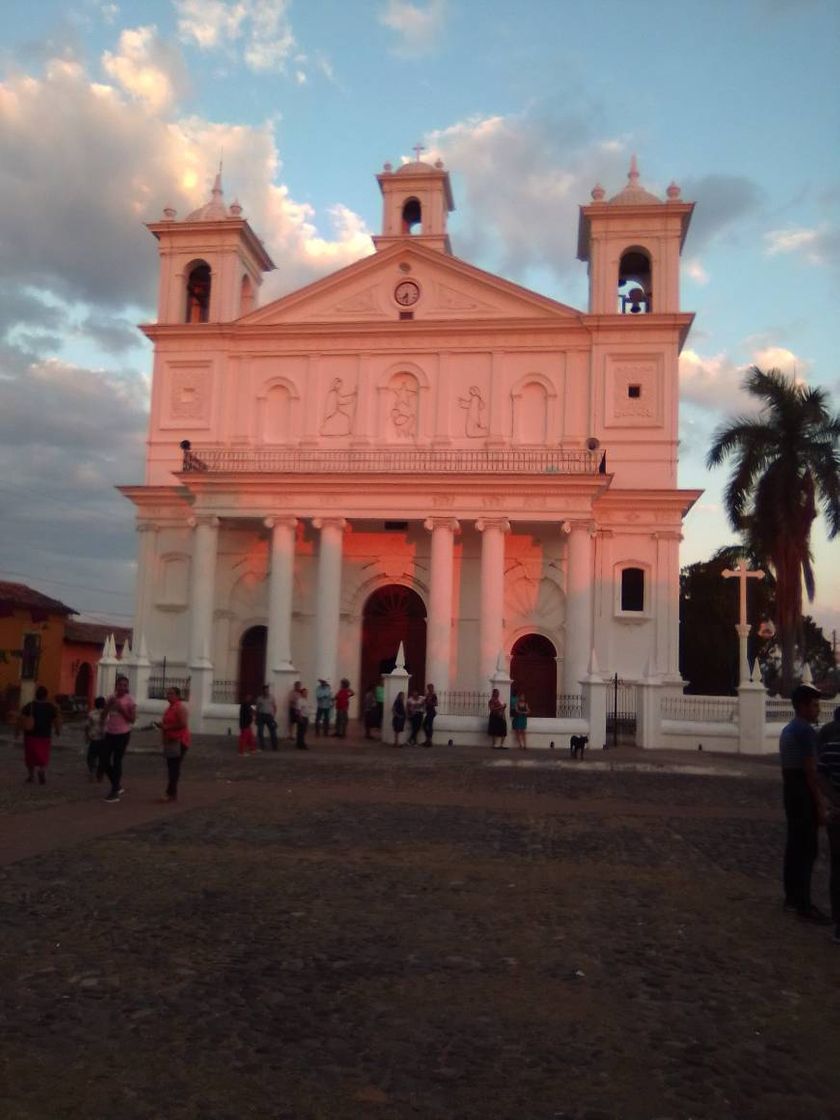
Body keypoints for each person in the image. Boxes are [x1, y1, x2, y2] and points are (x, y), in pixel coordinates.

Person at [779, 683, 830, 924]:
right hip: (802, 790)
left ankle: (792, 897)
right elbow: (810, 771)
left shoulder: (788, 729)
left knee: (794, 845)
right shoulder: (806, 732)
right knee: (808, 848)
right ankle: (804, 902)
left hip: (790, 789)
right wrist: (820, 804)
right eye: (815, 705)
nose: (818, 709)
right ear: (802, 707)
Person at [816, 704, 840, 944]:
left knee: (837, 867)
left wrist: (834, 800)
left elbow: (820, 775)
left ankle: (837, 921)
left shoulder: (830, 746)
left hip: (836, 815)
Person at [101, 674, 137, 803]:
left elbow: (132, 719)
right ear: (116, 686)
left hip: (123, 734)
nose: (122, 688)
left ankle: (114, 791)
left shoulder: (130, 700)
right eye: (120, 685)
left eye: (125, 686)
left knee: (117, 761)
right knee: (104, 761)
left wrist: (121, 709)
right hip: (110, 733)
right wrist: (108, 706)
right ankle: (116, 784)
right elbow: (103, 716)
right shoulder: (111, 698)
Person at [17, 685, 61, 785]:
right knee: (43, 755)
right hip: (45, 735)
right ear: (46, 696)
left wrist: (17, 731)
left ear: (36, 695)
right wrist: (57, 731)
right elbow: (56, 720)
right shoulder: (51, 707)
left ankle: (31, 776)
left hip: (30, 735)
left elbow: (21, 718)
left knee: (30, 756)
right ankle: (42, 770)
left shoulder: (30, 706)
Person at [160, 686, 190, 802]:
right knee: (171, 767)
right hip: (171, 740)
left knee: (174, 767)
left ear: (177, 695)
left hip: (180, 741)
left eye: (171, 694)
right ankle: (172, 792)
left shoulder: (180, 708)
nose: (168, 696)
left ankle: (170, 793)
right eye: (168, 693)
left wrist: (167, 727)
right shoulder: (170, 708)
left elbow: (183, 724)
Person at [84, 696, 106, 781]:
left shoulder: (92, 714)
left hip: (94, 737)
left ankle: (92, 771)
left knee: (91, 757)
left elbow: (87, 726)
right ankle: (100, 773)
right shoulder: (107, 714)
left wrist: (86, 736)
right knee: (102, 757)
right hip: (104, 738)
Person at [255, 685, 278, 751]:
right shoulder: (259, 698)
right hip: (261, 715)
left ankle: (275, 746)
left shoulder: (272, 697)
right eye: (265, 690)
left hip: (269, 716)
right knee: (260, 731)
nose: (266, 691)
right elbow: (257, 708)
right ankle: (262, 746)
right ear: (263, 691)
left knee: (273, 731)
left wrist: (273, 715)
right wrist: (256, 717)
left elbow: (275, 706)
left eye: (267, 690)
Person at [422, 683, 438, 748]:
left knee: (429, 725)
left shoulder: (434, 695)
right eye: (428, 688)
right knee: (425, 725)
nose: (429, 689)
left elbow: (436, 703)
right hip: (428, 712)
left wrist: (430, 702)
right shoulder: (428, 695)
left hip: (431, 712)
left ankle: (429, 741)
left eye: (430, 688)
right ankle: (427, 739)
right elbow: (425, 702)